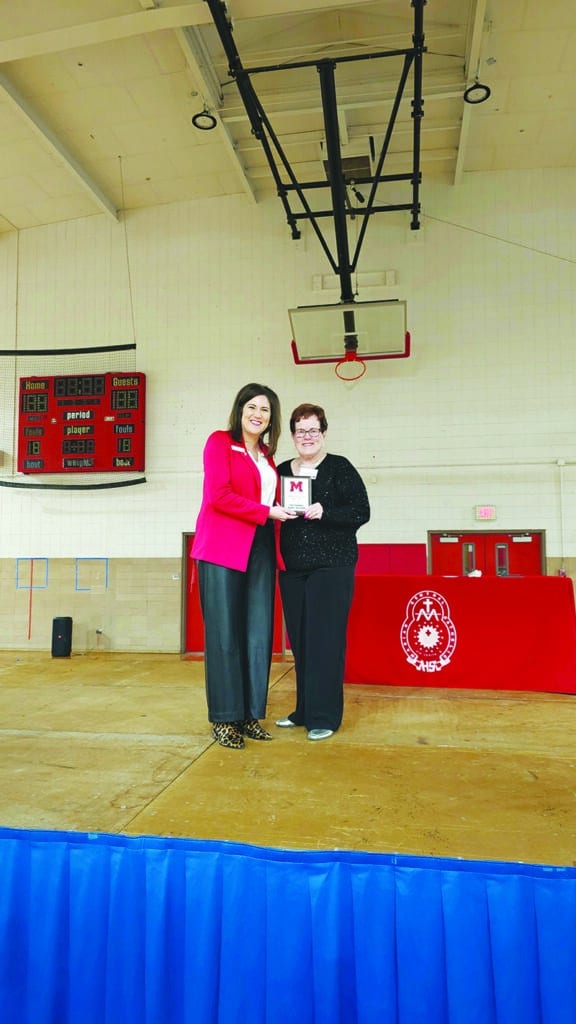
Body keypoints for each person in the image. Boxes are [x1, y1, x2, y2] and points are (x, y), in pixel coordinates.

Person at [191, 383, 295, 749]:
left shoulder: (267, 455)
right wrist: (266, 512)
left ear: (271, 418)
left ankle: (250, 715)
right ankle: (224, 719)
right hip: (222, 547)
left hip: (261, 546)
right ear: (240, 410)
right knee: (224, 637)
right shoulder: (219, 442)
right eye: (252, 406)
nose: (258, 414)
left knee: (257, 635)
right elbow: (218, 496)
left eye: (265, 410)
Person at [276, 403, 370, 740]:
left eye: (313, 430)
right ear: (292, 435)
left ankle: (325, 717)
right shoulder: (283, 470)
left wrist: (324, 510)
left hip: (332, 566)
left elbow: (362, 510)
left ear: (324, 433)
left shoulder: (340, 468)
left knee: (325, 642)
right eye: (301, 431)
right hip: (293, 569)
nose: (307, 437)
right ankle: (304, 710)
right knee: (300, 642)